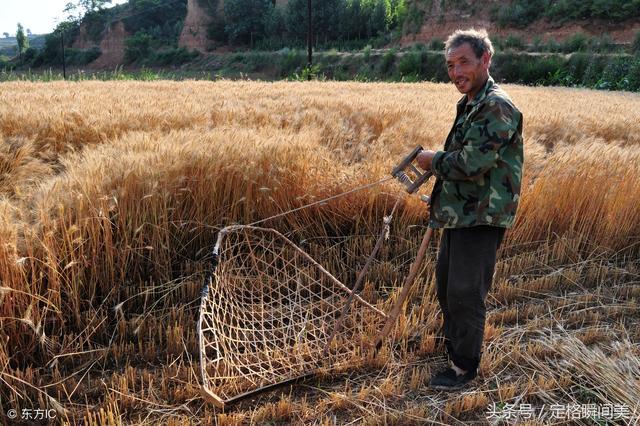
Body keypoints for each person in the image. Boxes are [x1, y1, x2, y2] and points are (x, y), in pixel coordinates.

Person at [416, 28, 524, 391]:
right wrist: (440, 161)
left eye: (464, 62)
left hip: (482, 215)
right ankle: (455, 351)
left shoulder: (496, 105)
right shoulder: (472, 102)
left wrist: (433, 161)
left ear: (485, 60)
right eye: (450, 65)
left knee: (464, 292)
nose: (456, 72)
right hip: (462, 213)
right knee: (448, 286)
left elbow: (472, 162)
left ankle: (464, 368)